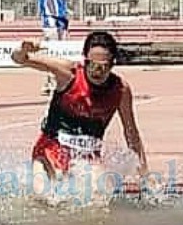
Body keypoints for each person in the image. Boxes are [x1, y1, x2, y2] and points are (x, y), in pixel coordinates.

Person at [11, 31, 148, 203]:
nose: (98, 72)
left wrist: (145, 176)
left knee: (99, 198)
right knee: (45, 196)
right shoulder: (68, 73)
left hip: (87, 157)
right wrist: (23, 50)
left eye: (104, 67)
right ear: (85, 60)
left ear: (113, 64)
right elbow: (18, 59)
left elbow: (131, 134)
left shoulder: (120, 89)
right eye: (93, 65)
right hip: (50, 150)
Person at [38, 0, 72, 95]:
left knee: (60, 54)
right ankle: (50, 83)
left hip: (61, 24)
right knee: (52, 54)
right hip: (51, 24)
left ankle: (59, 81)